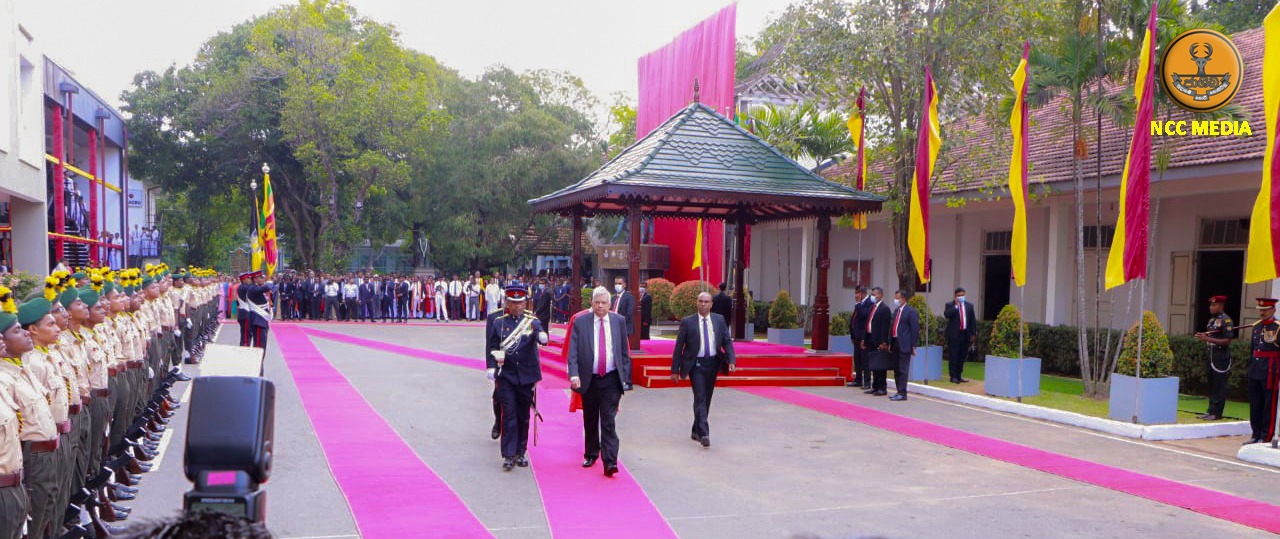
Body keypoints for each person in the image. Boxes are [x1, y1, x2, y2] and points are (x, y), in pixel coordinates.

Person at [567, 287, 632, 477]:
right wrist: (574, 374)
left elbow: (624, 351)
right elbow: (573, 350)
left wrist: (625, 377)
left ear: (610, 304)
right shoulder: (581, 322)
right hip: (589, 378)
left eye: (604, 302)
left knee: (608, 420)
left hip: (611, 379)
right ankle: (591, 453)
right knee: (590, 418)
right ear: (592, 303)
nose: (601, 306)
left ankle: (610, 461)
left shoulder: (618, 321)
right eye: (597, 302)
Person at [485, 285, 547, 471]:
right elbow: (492, 346)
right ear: (507, 303)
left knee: (523, 415)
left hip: (527, 376)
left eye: (520, 302)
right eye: (513, 302)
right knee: (509, 415)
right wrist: (491, 366)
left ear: (525, 303)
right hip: (507, 376)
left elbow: (539, 332)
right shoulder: (498, 322)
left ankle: (521, 452)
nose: (517, 306)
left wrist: (542, 335)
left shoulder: (531, 321)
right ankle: (508, 454)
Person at [671, 292, 736, 447]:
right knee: (700, 397)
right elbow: (679, 347)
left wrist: (731, 359)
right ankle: (704, 433)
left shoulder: (719, 320)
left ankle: (696, 430)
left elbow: (727, 341)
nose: (703, 304)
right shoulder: (688, 322)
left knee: (707, 398)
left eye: (706, 301)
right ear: (697, 303)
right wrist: (675, 370)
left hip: (712, 363)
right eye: (700, 301)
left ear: (711, 304)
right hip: (695, 364)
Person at [1194, 295, 1236, 421]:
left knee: (1219, 385)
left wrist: (1207, 338)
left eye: (1214, 305)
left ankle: (1217, 413)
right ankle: (1210, 410)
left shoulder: (1226, 320)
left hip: (1221, 357)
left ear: (1221, 306)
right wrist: (1204, 336)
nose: (1210, 307)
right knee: (1211, 384)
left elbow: (1227, 340)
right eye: (1210, 305)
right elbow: (1213, 335)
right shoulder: (1212, 320)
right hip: (1211, 354)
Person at [1245, 298, 1280, 445]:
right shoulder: (1257, 326)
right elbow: (1253, 349)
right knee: (1255, 403)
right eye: (1260, 310)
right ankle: (1255, 434)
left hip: (1271, 370)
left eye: (1265, 310)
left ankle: (1266, 435)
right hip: (1255, 369)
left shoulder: (1278, 327)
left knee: (1268, 405)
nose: (1262, 312)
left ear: (1273, 310)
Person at [888, 290, 920, 401]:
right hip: (895, 343)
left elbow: (914, 329)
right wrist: (890, 342)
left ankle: (903, 393)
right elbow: (892, 327)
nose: (896, 300)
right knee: (896, 369)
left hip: (905, 344)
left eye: (898, 298)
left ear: (904, 299)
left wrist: (913, 345)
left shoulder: (911, 312)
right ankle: (898, 391)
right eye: (895, 298)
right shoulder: (896, 311)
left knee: (903, 369)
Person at [943, 287, 977, 383]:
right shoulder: (950, 305)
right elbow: (947, 315)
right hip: (954, 335)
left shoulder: (969, 306)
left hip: (965, 334)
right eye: (959, 295)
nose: (961, 297)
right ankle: (953, 376)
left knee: (962, 356)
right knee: (954, 355)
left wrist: (973, 333)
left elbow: (972, 320)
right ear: (955, 296)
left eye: (962, 295)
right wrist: (956, 306)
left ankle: (959, 375)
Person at [863, 287, 893, 397]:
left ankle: (882, 388)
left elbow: (885, 326)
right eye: (872, 294)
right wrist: (864, 339)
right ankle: (874, 386)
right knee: (873, 364)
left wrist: (883, 341)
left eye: (874, 294)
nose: (873, 296)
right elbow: (868, 323)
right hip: (870, 338)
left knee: (880, 365)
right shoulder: (872, 307)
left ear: (880, 295)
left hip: (879, 340)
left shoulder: (884, 309)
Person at [847, 286, 872, 389]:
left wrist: (858, 303)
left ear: (861, 293)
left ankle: (867, 382)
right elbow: (855, 319)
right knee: (857, 359)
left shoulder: (869, 303)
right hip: (856, 337)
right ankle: (858, 380)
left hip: (863, 337)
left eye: (857, 293)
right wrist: (852, 335)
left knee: (865, 360)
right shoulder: (860, 304)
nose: (855, 296)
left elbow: (863, 316)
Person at [611, 276, 635, 341]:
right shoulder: (613, 298)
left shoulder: (629, 297)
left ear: (624, 285)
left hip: (623, 326)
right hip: (612, 325)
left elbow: (629, 314)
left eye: (619, 283)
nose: (617, 285)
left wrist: (619, 322)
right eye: (616, 283)